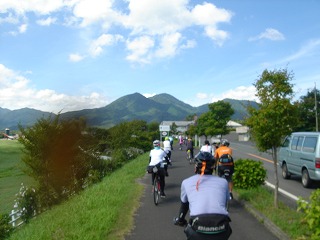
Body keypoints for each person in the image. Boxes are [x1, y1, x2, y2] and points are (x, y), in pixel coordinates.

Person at [174, 151, 232, 240]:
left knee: (190, 231)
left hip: (198, 227)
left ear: (196, 166)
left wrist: (180, 219)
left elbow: (184, 205)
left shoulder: (186, 182)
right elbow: (224, 203)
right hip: (221, 227)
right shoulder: (223, 182)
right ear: (213, 167)